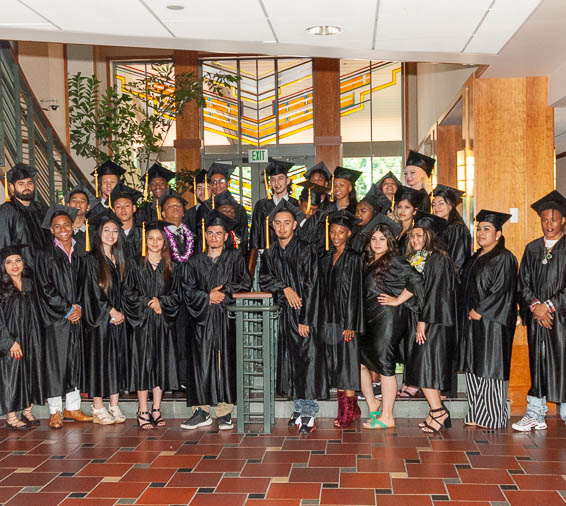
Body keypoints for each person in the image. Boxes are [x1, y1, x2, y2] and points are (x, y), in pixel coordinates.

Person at [177, 210, 251, 430]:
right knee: (200, 364)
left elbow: (244, 283)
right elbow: (187, 291)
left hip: (225, 319)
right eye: (210, 233)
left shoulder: (235, 258)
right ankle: (201, 411)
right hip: (200, 320)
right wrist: (207, 296)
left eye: (219, 233)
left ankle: (225, 411)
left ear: (226, 236)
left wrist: (224, 292)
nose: (214, 237)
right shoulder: (194, 261)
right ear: (205, 235)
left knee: (224, 364)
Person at [259, 200, 329, 433]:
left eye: (286, 223)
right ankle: (298, 407)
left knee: (307, 361)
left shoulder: (306, 249)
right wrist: (285, 288)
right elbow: (264, 279)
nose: (281, 227)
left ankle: (309, 411)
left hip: (305, 313)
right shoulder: (270, 252)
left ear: (295, 225)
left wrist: (306, 319)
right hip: (284, 315)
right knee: (291, 361)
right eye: (277, 223)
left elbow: (313, 285)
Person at [360, 216, 422, 429]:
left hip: (387, 319)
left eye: (382, 239)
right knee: (362, 364)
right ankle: (375, 404)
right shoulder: (370, 260)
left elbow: (417, 280)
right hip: (371, 320)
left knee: (386, 366)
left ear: (390, 242)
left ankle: (387, 416)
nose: (377, 243)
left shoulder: (394, 260)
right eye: (374, 239)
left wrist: (398, 300)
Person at [459, 210, 518, 429]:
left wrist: (481, 310)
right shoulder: (476, 257)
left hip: (494, 323)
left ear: (498, 233)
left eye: (487, 229)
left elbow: (503, 291)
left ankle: (492, 416)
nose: (481, 233)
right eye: (479, 228)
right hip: (474, 321)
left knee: (491, 368)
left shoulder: (504, 257)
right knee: (474, 366)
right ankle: (476, 412)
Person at [36, 206, 92, 429]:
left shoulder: (82, 251)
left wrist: (79, 307)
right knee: (56, 362)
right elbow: (45, 287)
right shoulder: (45, 254)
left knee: (75, 359)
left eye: (66, 225)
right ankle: (55, 411)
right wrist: (68, 309)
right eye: (57, 226)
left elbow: (88, 283)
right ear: (51, 230)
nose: (62, 229)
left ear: (72, 226)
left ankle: (73, 406)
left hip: (78, 314)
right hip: (56, 317)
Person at [514, 191, 566, 431]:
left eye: (554, 220)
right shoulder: (533, 248)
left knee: (563, 362)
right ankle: (536, 413)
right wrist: (536, 306)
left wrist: (550, 305)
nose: (549, 224)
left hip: (562, 319)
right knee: (538, 363)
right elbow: (522, 283)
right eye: (545, 220)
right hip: (538, 319)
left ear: (563, 220)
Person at [404, 213, 457, 432]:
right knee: (422, 367)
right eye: (412, 236)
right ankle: (436, 411)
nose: (415, 240)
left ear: (429, 237)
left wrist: (422, 322)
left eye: (419, 235)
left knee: (426, 368)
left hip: (434, 321)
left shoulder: (437, 258)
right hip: (424, 318)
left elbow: (433, 293)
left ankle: (439, 412)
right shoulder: (418, 258)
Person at [123, 223, 179, 429]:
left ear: (164, 243)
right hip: (142, 323)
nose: (155, 242)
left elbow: (177, 294)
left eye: (159, 239)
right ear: (145, 242)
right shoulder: (135, 264)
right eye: (151, 239)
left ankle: (156, 408)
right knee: (143, 365)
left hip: (162, 322)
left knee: (160, 364)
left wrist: (162, 304)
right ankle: (142, 409)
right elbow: (127, 293)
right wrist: (149, 302)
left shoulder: (170, 266)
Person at [80, 216, 128, 425]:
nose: (111, 235)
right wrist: (110, 311)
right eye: (106, 230)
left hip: (118, 319)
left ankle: (114, 405)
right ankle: (98, 406)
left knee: (117, 360)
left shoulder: (120, 259)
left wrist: (122, 312)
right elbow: (90, 292)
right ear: (99, 234)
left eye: (115, 231)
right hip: (99, 320)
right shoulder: (91, 260)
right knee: (99, 361)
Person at [320, 210, 364, 428]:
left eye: (341, 232)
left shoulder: (354, 258)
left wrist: (351, 323)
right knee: (336, 364)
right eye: (333, 231)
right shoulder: (326, 257)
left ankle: (346, 412)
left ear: (349, 233)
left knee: (347, 365)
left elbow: (356, 292)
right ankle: (352, 408)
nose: (335, 236)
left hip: (346, 320)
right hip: (329, 319)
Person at [0, 245, 44, 430]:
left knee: (30, 370)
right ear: (3, 266)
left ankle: (27, 409)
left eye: (18, 260)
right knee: (12, 374)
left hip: (30, 336)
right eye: (9, 262)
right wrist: (9, 342)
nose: (14, 265)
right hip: (12, 338)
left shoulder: (29, 284)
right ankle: (11, 416)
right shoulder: (1, 287)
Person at [160, 190, 195, 391]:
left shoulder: (193, 235)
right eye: (170, 207)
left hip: (189, 294)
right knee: (168, 338)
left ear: (183, 212)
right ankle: (168, 380)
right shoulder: (158, 236)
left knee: (186, 338)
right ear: (163, 214)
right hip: (168, 293)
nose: (175, 209)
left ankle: (184, 378)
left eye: (179, 206)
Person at [0, 163, 49, 265]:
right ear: (12, 187)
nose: (27, 187)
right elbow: (4, 244)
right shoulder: (7, 210)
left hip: (45, 267)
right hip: (22, 270)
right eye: (21, 184)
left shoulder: (41, 209)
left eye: (30, 183)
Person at [250, 159, 297, 251]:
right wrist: (255, 256)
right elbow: (255, 234)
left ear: (288, 181)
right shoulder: (261, 205)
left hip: (291, 254)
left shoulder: (295, 204)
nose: (277, 183)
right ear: (270, 183)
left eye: (280, 178)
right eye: (273, 180)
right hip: (266, 255)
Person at [432, 184, 472, 273]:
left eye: (441, 203)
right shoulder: (438, 228)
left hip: (451, 280)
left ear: (450, 206)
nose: (436, 207)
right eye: (434, 204)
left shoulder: (457, 228)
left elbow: (457, 262)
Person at [351, 188, 391, 254]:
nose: (358, 214)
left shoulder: (377, 234)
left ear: (374, 213)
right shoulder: (354, 230)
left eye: (363, 211)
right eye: (357, 210)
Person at [64, 184, 98, 256]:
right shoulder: (61, 231)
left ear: (88, 207)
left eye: (82, 201)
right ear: (68, 205)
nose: (78, 204)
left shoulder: (95, 232)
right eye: (74, 201)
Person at [395, 186, 419, 256]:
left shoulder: (414, 232)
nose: (402, 211)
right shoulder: (395, 229)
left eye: (407, 207)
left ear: (414, 211)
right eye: (399, 207)